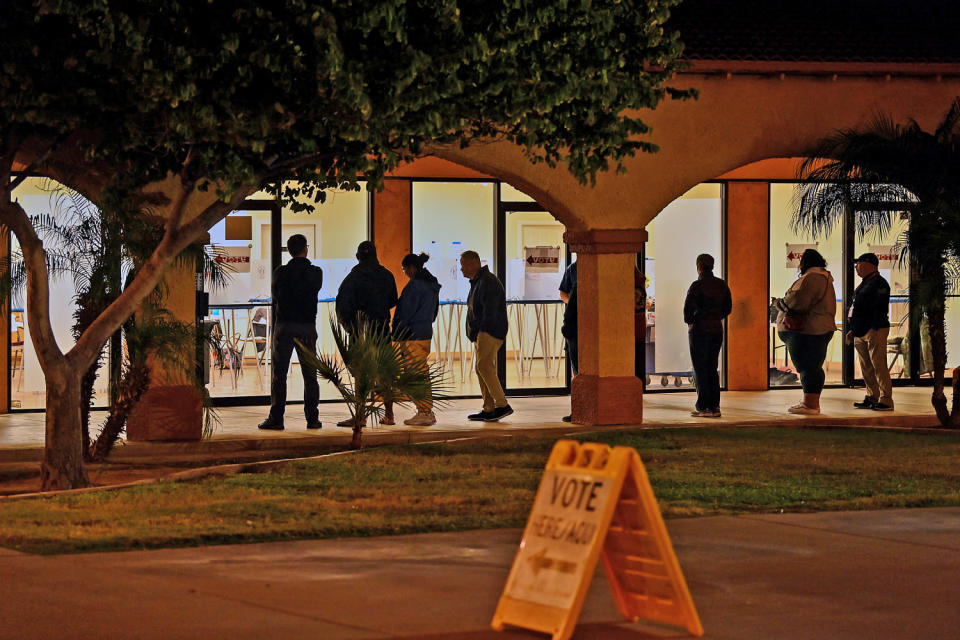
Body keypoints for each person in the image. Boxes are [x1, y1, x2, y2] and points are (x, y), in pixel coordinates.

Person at [258, 234, 324, 431]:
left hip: (284, 325)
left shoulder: (280, 273)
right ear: (305, 249)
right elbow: (315, 290)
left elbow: (276, 295)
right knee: (310, 374)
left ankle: (276, 418)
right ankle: (312, 419)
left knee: (280, 374)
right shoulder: (316, 273)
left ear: (289, 250)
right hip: (306, 326)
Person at [335, 240, 399, 426]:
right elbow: (393, 300)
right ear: (376, 255)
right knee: (385, 373)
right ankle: (389, 415)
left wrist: (350, 327)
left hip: (360, 332)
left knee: (361, 375)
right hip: (381, 330)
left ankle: (360, 416)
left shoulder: (352, 278)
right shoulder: (386, 275)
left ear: (357, 257)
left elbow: (343, 306)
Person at [772, 248, 837, 415]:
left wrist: (778, 303)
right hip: (819, 329)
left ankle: (810, 404)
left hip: (808, 331)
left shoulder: (811, 279)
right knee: (813, 366)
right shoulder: (825, 278)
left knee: (808, 366)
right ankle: (810, 402)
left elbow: (796, 302)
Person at [388, 252, 442, 426]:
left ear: (412, 268)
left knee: (417, 374)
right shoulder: (432, 285)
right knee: (421, 372)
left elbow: (405, 312)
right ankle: (425, 410)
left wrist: (396, 332)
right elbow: (433, 313)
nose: (405, 273)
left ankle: (424, 411)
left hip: (411, 335)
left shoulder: (416, 286)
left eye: (404, 270)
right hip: (424, 332)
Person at [460, 250, 512, 421]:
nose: (461, 269)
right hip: (482, 332)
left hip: (489, 331)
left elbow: (490, 310)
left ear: (472, 264)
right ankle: (489, 408)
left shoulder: (488, 282)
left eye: (463, 265)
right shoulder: (478, 281)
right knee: (481, 367)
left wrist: (482, 330)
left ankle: (502, 405)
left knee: (484, 366)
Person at [682, 254, 732, 418]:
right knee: (712, 367)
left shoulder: (697, 286)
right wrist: (716, 317)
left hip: (699, 330)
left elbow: (688, 310)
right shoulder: (721, 285)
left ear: (699, 266)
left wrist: (691, 321)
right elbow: (728, 308)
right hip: (716, 329)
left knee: (700, 368)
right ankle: (715, 406)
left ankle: (703, 406)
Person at [847, 252, 894, 411]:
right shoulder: (864, 283)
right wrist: (853, 330)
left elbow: (879, 309)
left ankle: (886, 400)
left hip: (875, 329)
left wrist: (872, 328)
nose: (856, 268)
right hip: (860, 331)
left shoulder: (880, 284)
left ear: (868, 265)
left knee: (878, 365)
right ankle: (872, 396)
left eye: (858, 264)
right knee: (866, 366)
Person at [560, 280, 578, 422]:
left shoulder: (581, 285)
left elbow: (570, 313)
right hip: (577, 334)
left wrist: (566, 331)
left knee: (578, 375)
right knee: (577, 373)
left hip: (576, 335)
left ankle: (578, 411)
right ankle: (578, 410)